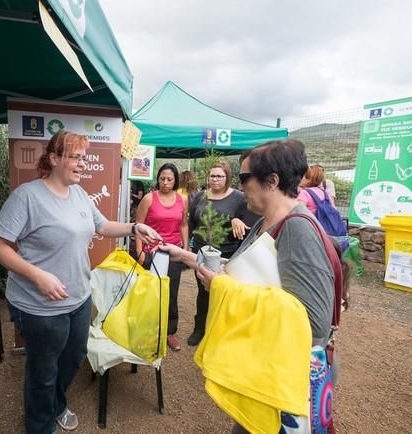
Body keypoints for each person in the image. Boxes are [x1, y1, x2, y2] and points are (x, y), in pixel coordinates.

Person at [0, 130, 161, 434]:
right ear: (54, 159)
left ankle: (55, 403)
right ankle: (40, 425)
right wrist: (37, 275)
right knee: (42, 371)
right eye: (76, 157)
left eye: (84, 157)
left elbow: (103, 226)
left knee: (74, 357)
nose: (83, 164)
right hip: (40, 305)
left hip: (79, 296)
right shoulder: (27, 197)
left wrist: (135, 227)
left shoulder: (79, 194)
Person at [162, 139, 336, 433]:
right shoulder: (266, 222)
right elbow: (243, 270)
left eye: (244, 178)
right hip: (269, 361)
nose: (240, 187)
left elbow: (315, 321)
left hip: (287, 376)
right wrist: (189, 257)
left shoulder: (297, 228)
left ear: (272, 181)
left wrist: (225, 287)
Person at [186, 160, 253, 347]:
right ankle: (200, 329)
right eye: (212, 176)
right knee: (203, 292)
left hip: (227, 253)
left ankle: (222, 332)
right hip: (202, 252)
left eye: (219, 176)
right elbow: (192, 223)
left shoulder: (239, 198)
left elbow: (249, 220)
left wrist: (237, 219)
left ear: (227, 178)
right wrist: (187, 248)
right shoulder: (200, 196)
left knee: (225, 293)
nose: (215, 179)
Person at [135, 162, 189, 351]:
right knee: (150, 292)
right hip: (151, 252)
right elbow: (138, 226)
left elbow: (184, 225)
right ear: (158, 179)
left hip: (173, 253)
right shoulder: (150, 198)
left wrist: (185, 249)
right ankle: (147, 330)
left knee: (171, 293)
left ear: (175, 181)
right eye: (162, 179)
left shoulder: (182, 199)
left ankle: (169, 332)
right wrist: (141, 254)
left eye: (169, 179)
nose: (165, 182)